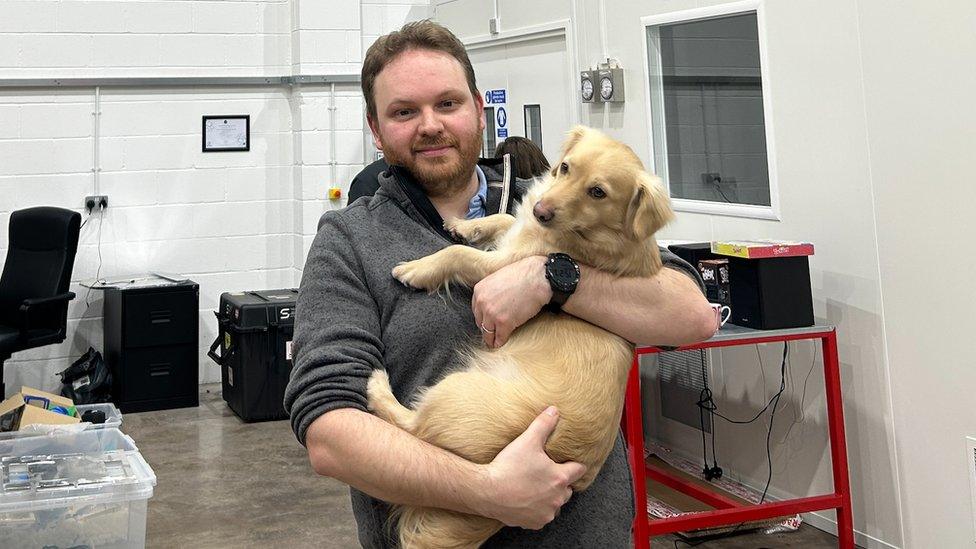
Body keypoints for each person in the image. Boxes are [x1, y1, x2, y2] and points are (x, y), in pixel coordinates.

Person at [284, 20, 716, 548]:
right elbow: (328, 430)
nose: (430, 125)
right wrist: (485, 491)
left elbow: (693, 317)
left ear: (477, 110)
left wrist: (551, 278)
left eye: (447, 104)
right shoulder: (348, 240)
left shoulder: (561, 213)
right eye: (404, 111)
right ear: (375, 129)